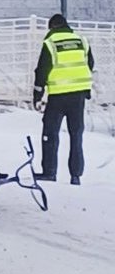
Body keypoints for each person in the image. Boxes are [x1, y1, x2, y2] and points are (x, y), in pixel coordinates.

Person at [34, 14, 94, 185]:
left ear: (51, 27)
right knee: (76, 134)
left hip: (58, 96)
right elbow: (89, 64)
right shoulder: (81, 40)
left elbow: (42, 71)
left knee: (50, 133)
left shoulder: (50, 43)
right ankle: (76, 175)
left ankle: (49, 172)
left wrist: (37, 95)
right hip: (78, 96)